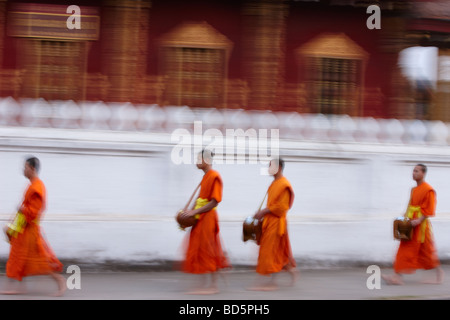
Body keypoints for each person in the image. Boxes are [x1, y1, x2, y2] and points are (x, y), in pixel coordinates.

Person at [2, 157, 65, 296]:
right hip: (23, 228)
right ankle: (19, 288)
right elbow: (25, 209)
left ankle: (59, 280)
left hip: (30, 230)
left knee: (39, 260)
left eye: (25, 167)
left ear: (33, 169)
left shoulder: (37, 187)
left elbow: (35, 212)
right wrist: (12, 224)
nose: (23, 170)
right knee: (18, 258)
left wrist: (22, 210)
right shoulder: (31, 185)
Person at [178, 149, 230, 294]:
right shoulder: (206, 177)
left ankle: (213, 286)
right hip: (200, 218)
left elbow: (214, 202)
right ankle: (203, 283)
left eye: (199, 159)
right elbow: (200, 199)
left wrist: (195, 212)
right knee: (199, 247)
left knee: (208, 248)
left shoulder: (215, 176)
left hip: (208, 218)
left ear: (206, 160)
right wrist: (189, 214)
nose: (196, 162)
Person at [382, 164, 444, 285]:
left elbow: (430, 209)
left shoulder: (428, 189)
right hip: (410, 223)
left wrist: (419, 220)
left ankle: (439, 273)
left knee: (427, 252)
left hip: (421, 227)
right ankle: (397, 277)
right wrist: (404, 217)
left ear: (423, 173)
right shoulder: (413, 189)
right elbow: (410, 205)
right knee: (404, 248)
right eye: (413, 171)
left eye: (416, 171)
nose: (413, 173)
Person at [248, 158, 298, 291]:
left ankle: (271, 283)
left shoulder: (284, 184)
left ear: (279, 168)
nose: (269, 169)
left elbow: (282, 207)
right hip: (269, 222)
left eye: (271, 166)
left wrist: (264, 211)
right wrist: (261, 213)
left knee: (269, 253)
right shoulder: (274, 184)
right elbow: (271, 205)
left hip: (276, 223)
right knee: (276, 252)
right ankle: (290, 271)